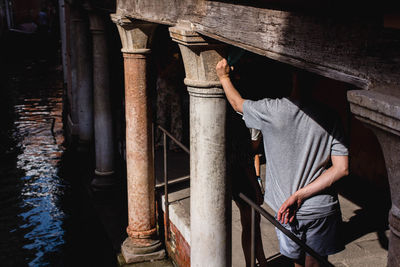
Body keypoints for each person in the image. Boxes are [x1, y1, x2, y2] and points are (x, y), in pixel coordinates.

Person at [216, 58, 349, 267]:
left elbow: (236, 103)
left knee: (295, 262)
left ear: (291, 77)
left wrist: (223, 77)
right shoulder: (330, 115)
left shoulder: (270, 110)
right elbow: (342, 168)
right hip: (320, 208)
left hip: (285, 209)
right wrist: (301, 194)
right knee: (315, 263)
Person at [227, 105, 267, 267]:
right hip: (243, 180)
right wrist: (257, 188)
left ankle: (261, 262)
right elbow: (247, 161)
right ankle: (251, 264)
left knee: (252, 223)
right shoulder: (240, 126)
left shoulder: (229, 125)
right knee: (250, 225)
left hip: (235, 178)